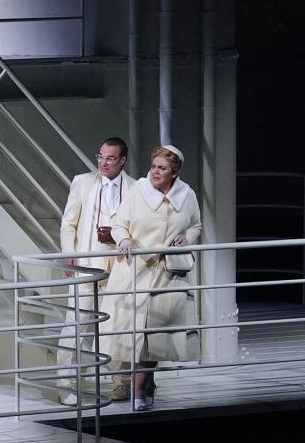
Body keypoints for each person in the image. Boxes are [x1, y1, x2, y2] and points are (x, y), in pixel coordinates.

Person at [103, 143, 203, 411]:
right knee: (135, 333)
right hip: (137, 272)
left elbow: (195, 224)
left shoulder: (187, 194)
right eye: (153, 166)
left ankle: (145, 381)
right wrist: (124, 240)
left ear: (174, 172)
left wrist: (188, 238)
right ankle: (139, 386)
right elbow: (118, 224)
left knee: (156, 335)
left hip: (170, 274)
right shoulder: (139, 192)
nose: (155, 172)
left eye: (162, 168)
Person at [55, 137, 132, 406]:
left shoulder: (135, 188)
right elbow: (68, 223)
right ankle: (65, 384)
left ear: (122, 160)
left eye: (110, 158)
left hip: (119, 268)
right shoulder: (83, 182)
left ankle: (121, 384)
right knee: (74, 327)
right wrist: (70, 256)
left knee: (119, 327)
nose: (103, 162)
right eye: (100, 156)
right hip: (87, 267)